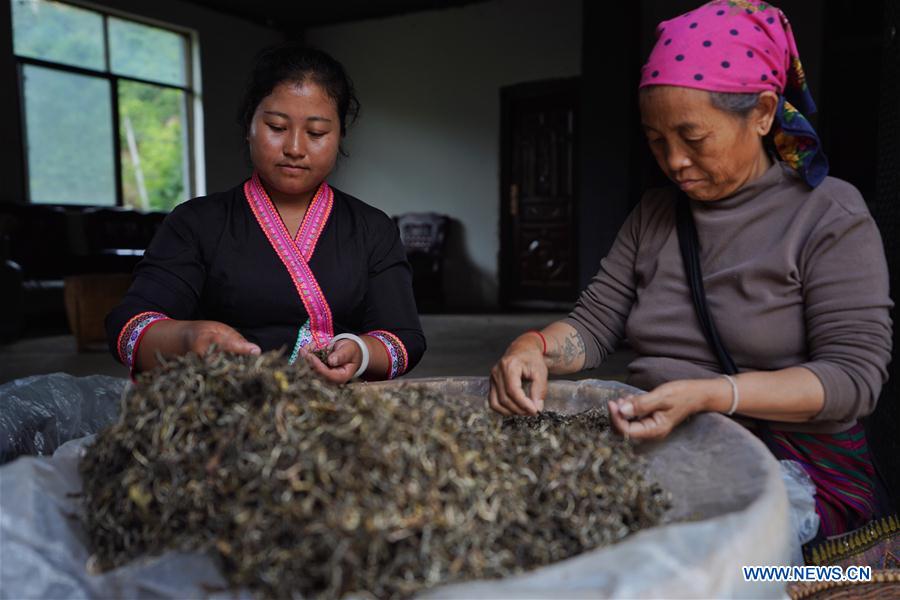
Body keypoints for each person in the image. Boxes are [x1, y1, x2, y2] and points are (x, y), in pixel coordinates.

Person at [489, 0, 892, 538]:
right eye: (656, 140)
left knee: (738, 575)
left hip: (789, 472)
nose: (674, 160)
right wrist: (531, 348)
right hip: (654, 452)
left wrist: (713, 394)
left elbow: (853, 380)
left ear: (764, 113)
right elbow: (592, 325)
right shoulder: (655, 215)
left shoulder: (828, 215)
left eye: (693, 138)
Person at [106, 43, 425, 383]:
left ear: (340, 136)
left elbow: (404, 339)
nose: (295, 148)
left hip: (338, 417)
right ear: (249, 126)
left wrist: (359, 352)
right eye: (276, 127)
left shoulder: (372, 228)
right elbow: (127, 327)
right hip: (225, 409)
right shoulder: (196, 222)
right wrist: (186, 339)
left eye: (316, 132)